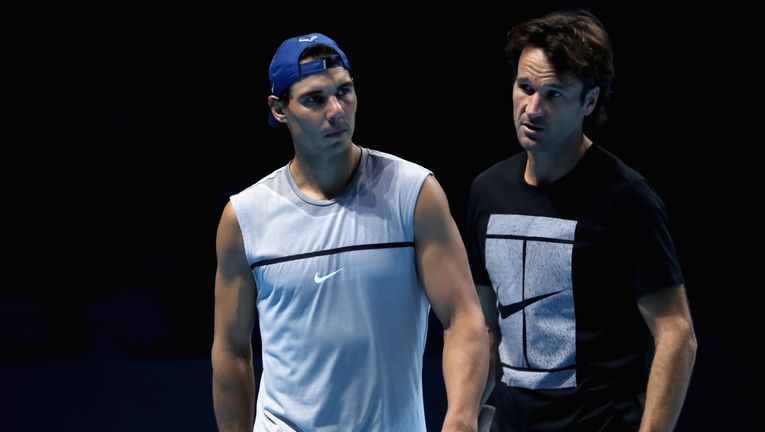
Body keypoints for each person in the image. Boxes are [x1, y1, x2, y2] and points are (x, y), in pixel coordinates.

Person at [211, 32, 488, 431]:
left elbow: (463, 317)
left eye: (345, 91)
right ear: (279, 109)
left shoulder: (413, 193)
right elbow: (232, 350)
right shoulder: (245, 216)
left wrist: (461, 418)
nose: (336, 110)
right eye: (315, 99)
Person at [466, 10, 697, 431]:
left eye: (554, 95)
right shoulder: (487, 191)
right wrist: (462, 417)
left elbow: (675, 332)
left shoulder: (626, 198)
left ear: (589, 102)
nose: (532, 108)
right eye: (525, 87)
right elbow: (486, 326)